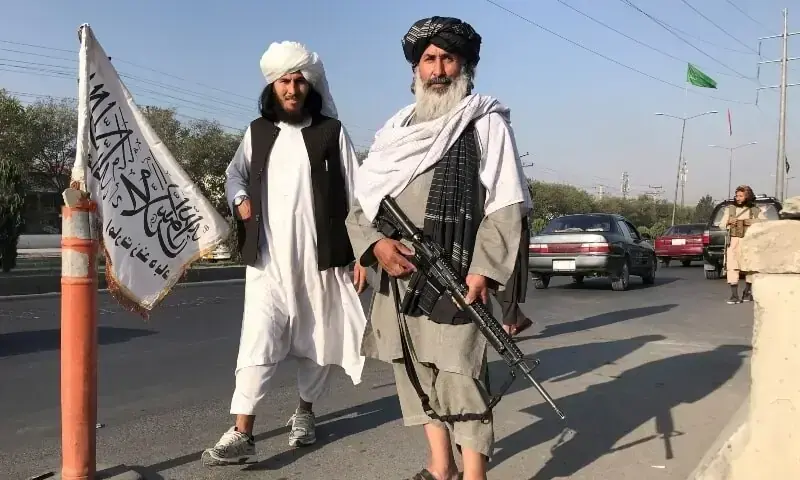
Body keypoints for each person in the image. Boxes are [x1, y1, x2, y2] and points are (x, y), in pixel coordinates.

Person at [346, 16, 531, 480]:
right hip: (400, 273)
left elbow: (505, 205)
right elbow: (361, 203)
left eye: (448, 58)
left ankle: (474, 475)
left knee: (461, 379)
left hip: (455, 273)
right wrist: (374, 247)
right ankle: (439, 467)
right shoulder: (394, 132)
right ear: (416, 70)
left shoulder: (483, 123)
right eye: (429, 59)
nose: (438, 69)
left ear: (465, 65)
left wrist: (484, 269)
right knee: (414, 375)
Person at [202, 41, 369, 467]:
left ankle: (305, 412)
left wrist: (362, 255)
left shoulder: (331, 133)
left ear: (309, 85)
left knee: (319, 338)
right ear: (272, 86)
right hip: (267, 261)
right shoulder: (257, 131)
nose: (292, 89)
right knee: (256, 340)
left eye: (298, 81)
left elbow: (357, 193)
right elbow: (234, 173)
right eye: (284, 81)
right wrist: (240, 198)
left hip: (322, 259)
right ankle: (243, 432)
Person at [717, 185, 760, 304]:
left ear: (747, 196)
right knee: (732, 267)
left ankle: (747, 292)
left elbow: (764, 222)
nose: (738, 198)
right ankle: (734, 295)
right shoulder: (731, 209)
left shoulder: (755, 210)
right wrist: (728, 221)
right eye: (737, 195)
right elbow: (721, 224)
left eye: (741, 196)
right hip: (734, 242)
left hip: (749, 242)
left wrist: (751, 222)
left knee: (750, 267)